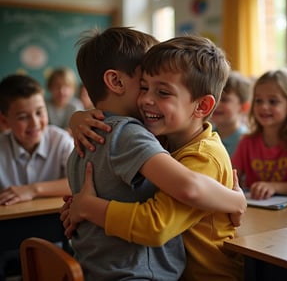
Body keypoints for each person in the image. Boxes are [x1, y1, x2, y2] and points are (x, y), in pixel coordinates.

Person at [62, 35, 246, 281]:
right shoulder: (162, 139)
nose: (146, 99)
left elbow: (156, 226)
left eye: (162, 92)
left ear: (201, 107)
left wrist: (88, 207)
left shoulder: (203, 157)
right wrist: (78, 117)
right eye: (144, 86)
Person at [0, 74, 74, 280]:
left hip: (54, 242)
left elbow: (78, 182)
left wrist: (32, 190)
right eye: (23, 117)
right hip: (6, 245)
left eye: (40, 112)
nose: (34, 123)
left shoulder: (60, 140)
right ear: (4, 120)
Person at [231, 68, 287, 199]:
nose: (263, 107)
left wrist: (273, 186)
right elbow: (231, 178)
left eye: (273, 101)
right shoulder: (247, 142)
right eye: (258, 101)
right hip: (256, 211)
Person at [210, 70, 251, 156]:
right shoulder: (206, 135)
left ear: (244, 107)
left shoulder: (246, 141)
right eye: (215, 98)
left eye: (224, 100)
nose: (216, 104)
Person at [46, 67, 84, 133]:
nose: (62, 91)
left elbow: (77, 129)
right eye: (57, 86)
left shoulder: (76, 106)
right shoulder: (45, 106)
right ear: (50, 87)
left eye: (67, 86)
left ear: (73, 89)